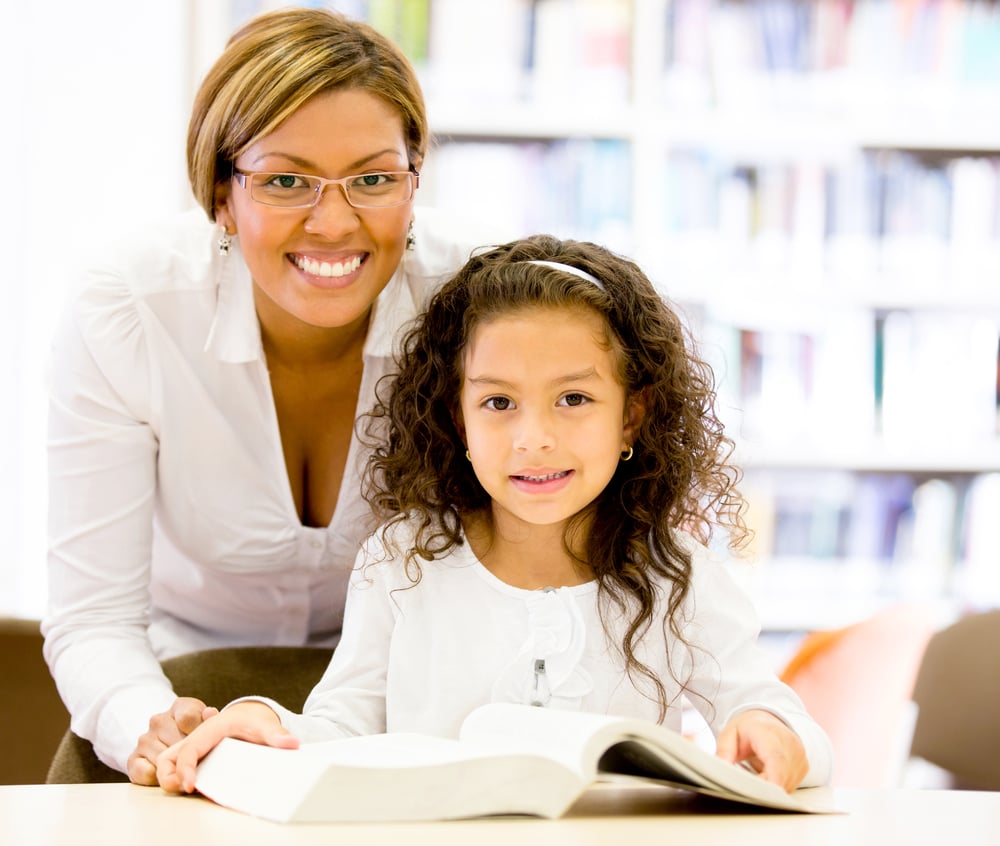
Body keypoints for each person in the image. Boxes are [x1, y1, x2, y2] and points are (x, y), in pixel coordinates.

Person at [156, 235, 834, 794]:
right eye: (499, 403)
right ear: (459, 419)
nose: (534, 438)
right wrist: (264, 722)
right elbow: (341, 727)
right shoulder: (403, 558)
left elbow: (787, 724)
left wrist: (773, 733)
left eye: (573, 399)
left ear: (632, 415)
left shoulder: (676, 575)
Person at [42, 7, 494, 785]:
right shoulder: (130, 308)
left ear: (414, 181)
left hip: (406, 704)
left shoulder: (477, 306)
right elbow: (93, 618)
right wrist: (150, 723)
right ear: (222, 192)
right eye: (286, 180)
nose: (334, 222)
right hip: (184, 684)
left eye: (373, 179)